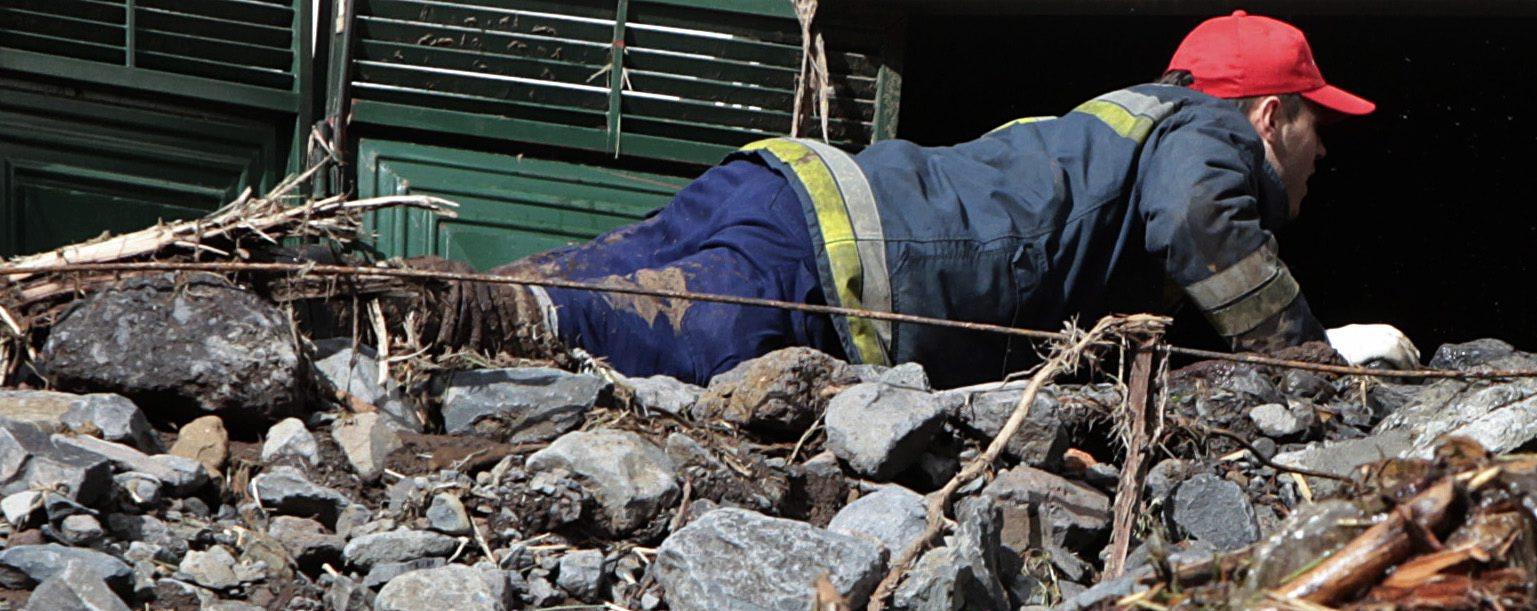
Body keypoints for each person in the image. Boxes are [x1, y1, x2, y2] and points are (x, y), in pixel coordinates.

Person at [400, 11, 1413, 386]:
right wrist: (1297, 360)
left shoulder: (1106, 128)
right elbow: (1200, 222)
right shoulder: (1203, 134)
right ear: (1271, 115)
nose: (1323, 155)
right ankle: (403, 315)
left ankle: (373, 308)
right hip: (837, 261)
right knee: (578, 326)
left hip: (785, 185)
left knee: (542, 292)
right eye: (1320, 128)